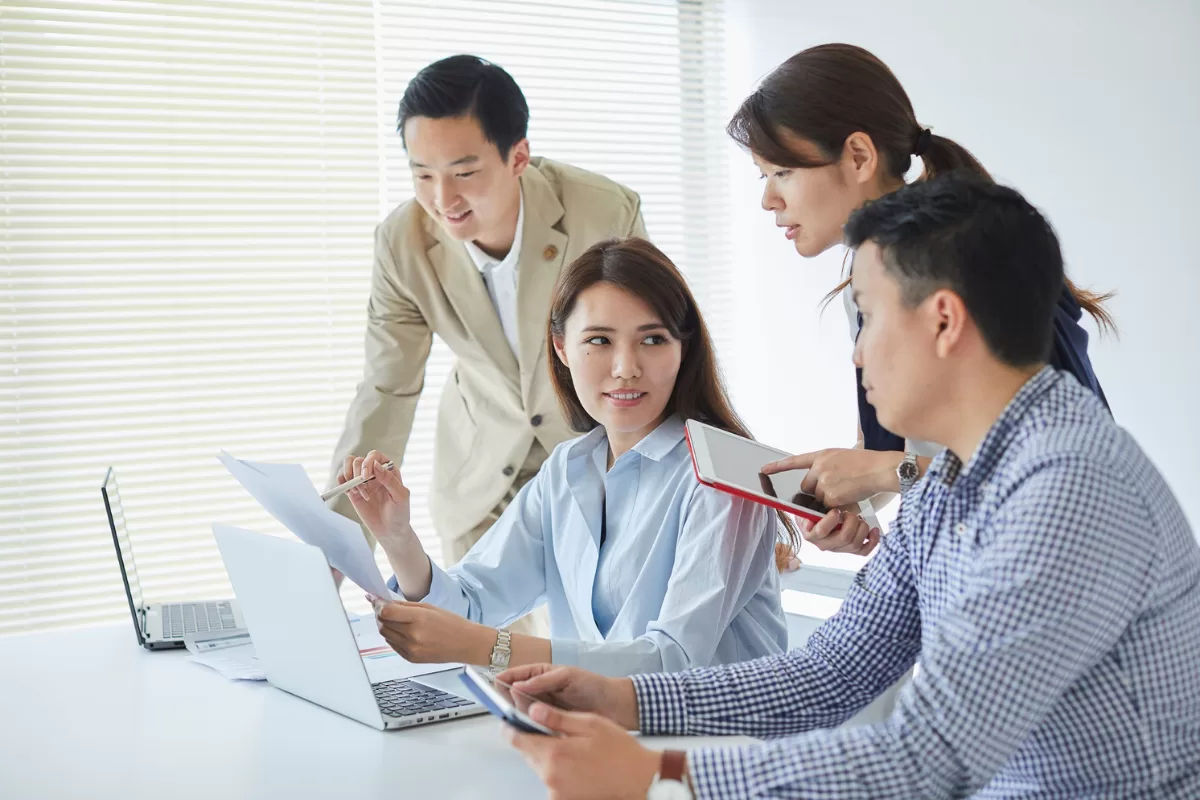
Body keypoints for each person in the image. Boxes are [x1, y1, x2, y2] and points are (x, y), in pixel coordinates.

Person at [498, 174, 1200, 799]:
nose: (857, 350)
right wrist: (624, 699)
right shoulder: (952, 476)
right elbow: (831, 672)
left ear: (944, 322)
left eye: (866, 314)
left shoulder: (1065, 490)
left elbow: (931, 758)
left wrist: (661, 777)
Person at [338, 238, 791, 677]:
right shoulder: (568, 469)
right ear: (561, 348)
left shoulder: (726, 478)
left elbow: (671, 663)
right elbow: (472, 606)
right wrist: (397, 536)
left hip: (719, 745)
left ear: (682, 349)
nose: (625, 367)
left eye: (652, 340)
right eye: (599, 340)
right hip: (598, 734)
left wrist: (486, 647)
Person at [732, 44, 1114, 557]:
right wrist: (853, 499)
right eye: (765, 177)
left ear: (860, 157)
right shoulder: (865, 287)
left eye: (783, 173)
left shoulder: (969, 268)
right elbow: (892, 453)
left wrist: (889, 472)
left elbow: (1059, 469)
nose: (768, 199)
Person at [328, 55, 648, 605]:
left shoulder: (603, 213)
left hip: (595, 465)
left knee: (584, 668)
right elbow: (386, 390)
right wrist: (336, 545)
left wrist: (713, 492)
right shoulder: (401, 244)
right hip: (480, 484)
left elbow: (657, 355)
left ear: (518, 155)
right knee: (483, 668)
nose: (442, 199)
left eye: (464, 172)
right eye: (422, 174)